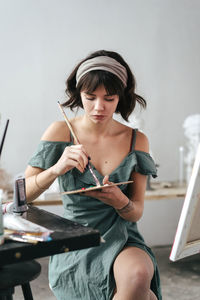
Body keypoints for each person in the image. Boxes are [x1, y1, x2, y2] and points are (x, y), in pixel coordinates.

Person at [25, 50, 162, 300]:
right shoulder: (60, 132)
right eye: (90, 97)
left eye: (109, 98)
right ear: (79, 94)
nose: (99, 107)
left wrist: (121, 201)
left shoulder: (136, 140)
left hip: (123, 236)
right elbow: (23, 195)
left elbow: (137, 210)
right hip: (76, 237)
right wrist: (57, 168)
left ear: (121, 96)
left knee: (139, 274)